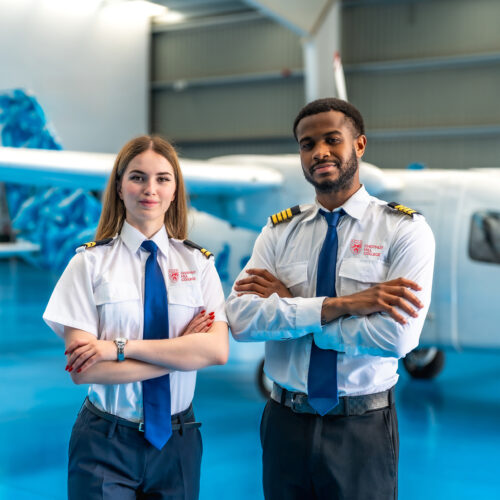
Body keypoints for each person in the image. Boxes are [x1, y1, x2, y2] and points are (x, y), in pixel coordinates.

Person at [226, 98, 435, 500]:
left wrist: (292, 309)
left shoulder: (404, 231)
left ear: (359, 145)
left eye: (331, 140)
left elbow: (397, 338)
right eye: (307, 144)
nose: (318, 152)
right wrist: (345, 305)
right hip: (284, 421)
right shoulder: (278, 232)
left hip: (361, 426)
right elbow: (240, 320)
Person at [43, 135, 229, 500]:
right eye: (138, 177)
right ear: (119, 186)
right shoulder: (89, 264)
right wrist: (180, 352)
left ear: (175, 190)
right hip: (104, 442)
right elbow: (85, 371)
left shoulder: (199, 264)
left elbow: (217, 352)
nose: (150, 189)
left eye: (163, 178)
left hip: (179, 441)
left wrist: (117, 348)